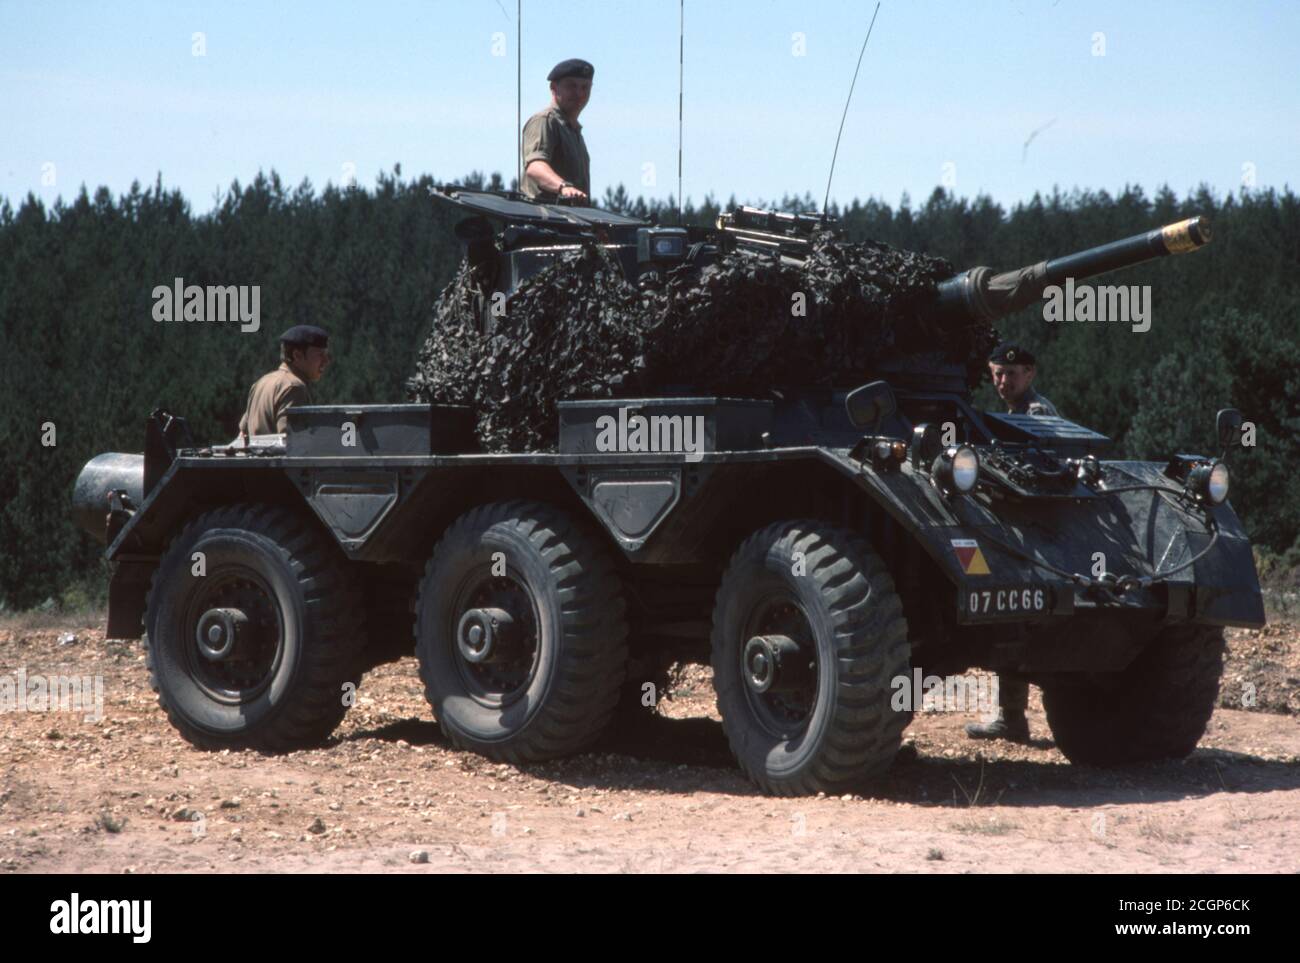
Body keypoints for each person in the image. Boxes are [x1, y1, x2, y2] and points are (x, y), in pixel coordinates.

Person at [966, 341, 1059, 743]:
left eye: (1012, 374)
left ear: (1030, 375)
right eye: (998, 375)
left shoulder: (1036, 415)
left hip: (1035, 527)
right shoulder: (1012, 414)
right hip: (1022, 524)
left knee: (1019, 619)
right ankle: (1011, 717)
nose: (1004, 381)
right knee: (1012, 621)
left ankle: (1014, 717)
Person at [238, 325, 330, 441]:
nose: (326, 361)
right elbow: (292, 443)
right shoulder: (294, 387)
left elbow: (242, 435)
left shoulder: (260, 383)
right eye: (320, 355)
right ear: (297, 355)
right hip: (278, 459)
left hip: (261, 459)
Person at [520, 58, 593, 202]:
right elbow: (535, 166)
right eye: (571, 86)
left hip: (570, 219)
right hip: (542, 217)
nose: (579, 94)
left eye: (585, 87)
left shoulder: (573, 131)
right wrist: (564, 187)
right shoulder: (545, 120)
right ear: (554, 88)